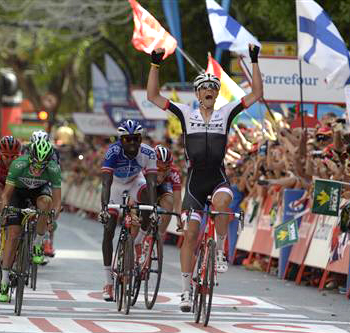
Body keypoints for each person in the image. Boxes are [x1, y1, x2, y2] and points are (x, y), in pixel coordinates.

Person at [147, 43, 263, 312]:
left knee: (223, 204)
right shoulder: (186, 114)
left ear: (216, 93)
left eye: (213, 88)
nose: (209, 91)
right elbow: (153, 96)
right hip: (195, 184)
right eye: (204, 88)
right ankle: (186, 291)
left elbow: (256, 93)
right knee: (190, 235)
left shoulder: (226, 113)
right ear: (198, 93)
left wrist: (255, 61)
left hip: (218, 178)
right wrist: (155, 65)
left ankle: (220, 250)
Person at [97, 119, 158, 302]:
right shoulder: (113, 152)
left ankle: (138, 241)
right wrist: (104, 208)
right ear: (120, 140)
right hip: (115, 185)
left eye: (136, 139)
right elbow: (106, 183)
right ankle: (108, 281)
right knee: (109, 229)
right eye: (127, 139)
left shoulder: (148, 152)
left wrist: (154, 209)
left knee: (147, 197)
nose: (132, 143)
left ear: (141, 139)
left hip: (134, 181)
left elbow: (152, 182)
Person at [0, 138, 61, 302]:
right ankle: (4, 282)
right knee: (13, 235)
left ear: (49, 162)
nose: (38, 169)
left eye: (43, 165)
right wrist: (5, 210)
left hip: (39, 192)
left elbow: (57, 200)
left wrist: (52, 216)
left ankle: (38, 243)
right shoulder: (19, 164)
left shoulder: (54, 169)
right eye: (35, 164)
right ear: (29, 158)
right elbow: (6, 194)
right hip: (18, 193)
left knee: (46, 204)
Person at [24, 130, 61, 257]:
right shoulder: (25, 149)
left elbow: (55, 173)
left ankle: (47, 241)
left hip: (45, 180)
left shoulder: (53, 152)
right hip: (27, 180)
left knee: (49, 207)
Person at [151, 144, 182, 239]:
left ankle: (160, 234)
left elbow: (177, 200)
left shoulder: (174, 172)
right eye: (159, 168)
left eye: (166, 168)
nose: (162, 172)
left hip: (162, 189)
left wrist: (179, 218)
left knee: (169, 202)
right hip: (146, 187)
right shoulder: (145, 167)